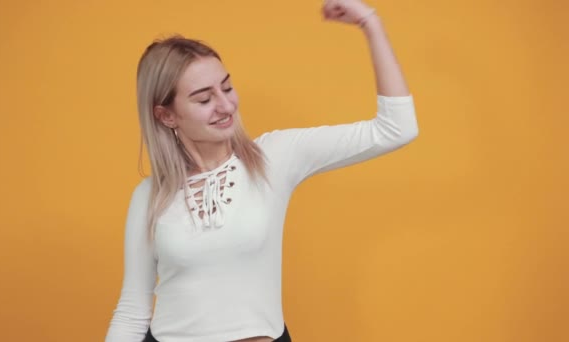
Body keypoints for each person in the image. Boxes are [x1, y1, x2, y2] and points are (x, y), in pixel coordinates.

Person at [104, 0, 418, 341]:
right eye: (203, 99)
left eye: (226, 87)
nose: (225, 106)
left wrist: (370, 24)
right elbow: (132, 311)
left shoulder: (273, 157)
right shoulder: (150, 196)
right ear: (166, 115)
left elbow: (396, 129)